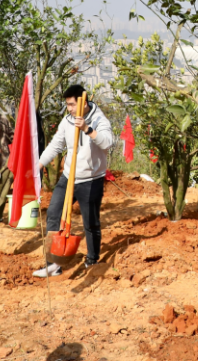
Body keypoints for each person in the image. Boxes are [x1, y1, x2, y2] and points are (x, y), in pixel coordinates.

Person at [33, 85, 113, 276]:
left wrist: (87, 129)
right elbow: (56, 145)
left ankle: (92, 260)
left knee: (90, 222)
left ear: (83, 103)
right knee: (53, 212)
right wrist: (39, 165)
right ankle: (53, 264)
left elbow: (108, 143)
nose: (68, 108)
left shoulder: (99, 118)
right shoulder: (67, 120)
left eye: (71, 104)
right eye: (67, 104)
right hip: (68, 176)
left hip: (91, 179)